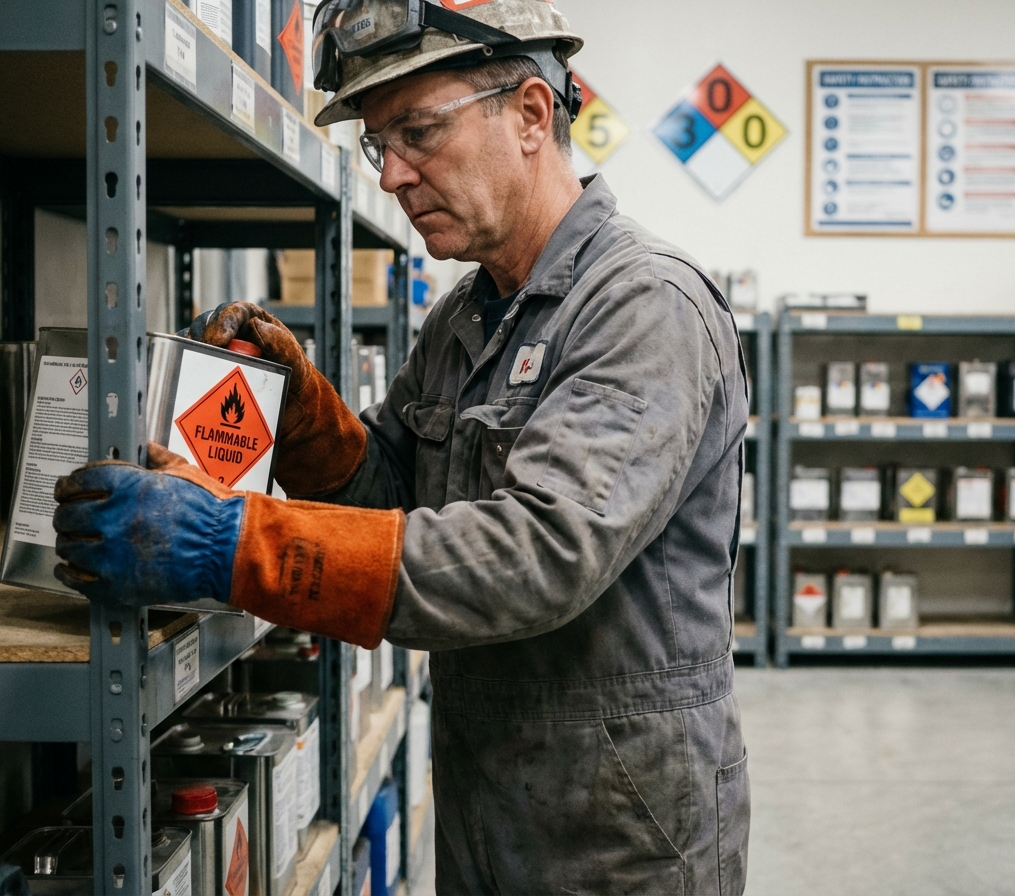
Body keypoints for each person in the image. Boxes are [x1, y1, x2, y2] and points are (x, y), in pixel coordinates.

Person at [52, 0, 750, 891]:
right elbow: (393, 493)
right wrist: (306, 418)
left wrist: (231, 543)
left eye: (419, 132)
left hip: (623, 839)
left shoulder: (645, 306)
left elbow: (536, 555)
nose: (391, 177)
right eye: (381, 146)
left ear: (533, 115)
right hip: (487, 803)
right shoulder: (468, 312)